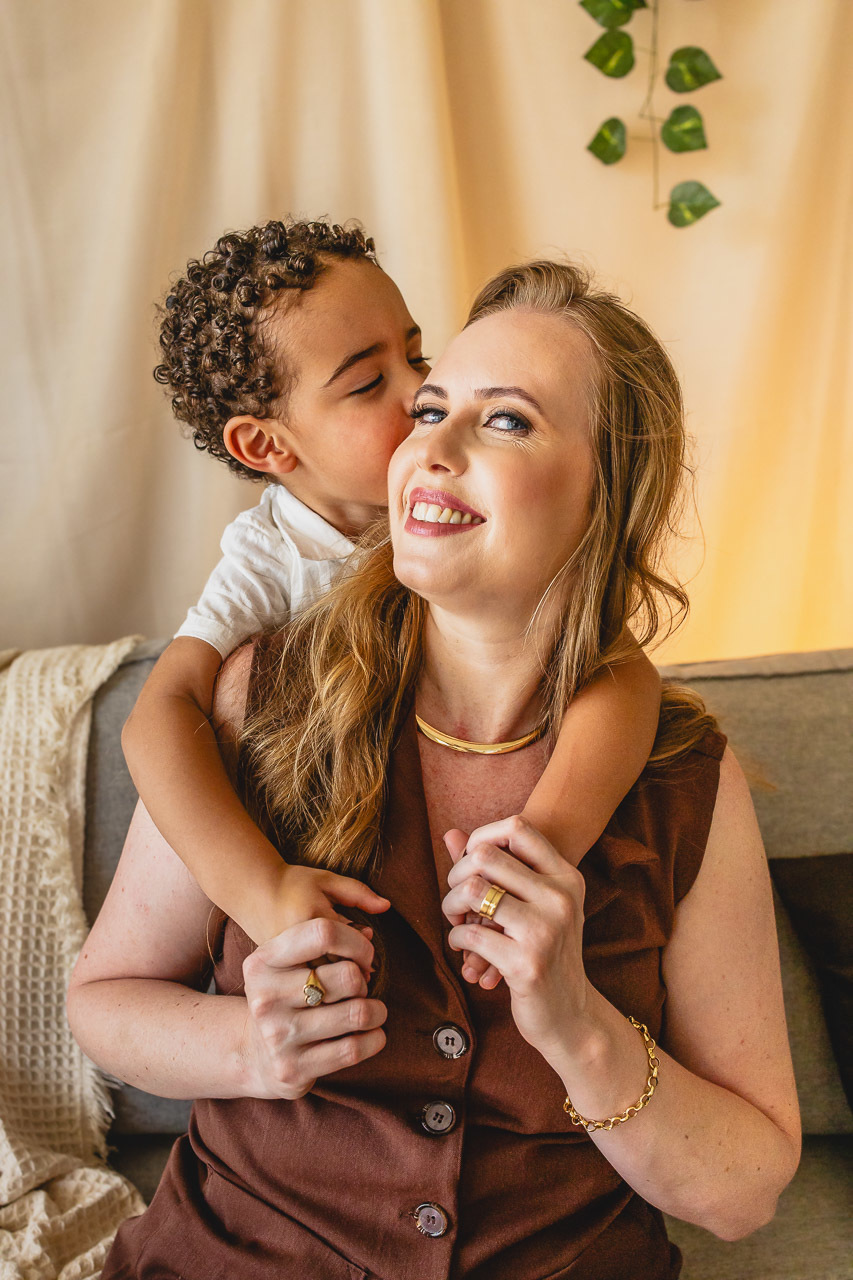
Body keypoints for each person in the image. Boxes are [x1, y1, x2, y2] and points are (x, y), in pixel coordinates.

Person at [68, 259, 800, 1278]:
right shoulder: (257, 694)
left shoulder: (682, 774)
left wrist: (578, 1026)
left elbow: (744, 1191)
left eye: (504, 420)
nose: (431, 448)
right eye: (427, 410)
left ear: (609, 486)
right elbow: (103, 1002)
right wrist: (249, 1045)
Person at [121, 219, 661, 976]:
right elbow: (157, 719)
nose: (419, 396)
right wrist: (260, 889)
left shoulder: (469, 519)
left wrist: (543, 843)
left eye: (416, 355)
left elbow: (617, 668)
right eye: (369, 383)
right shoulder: (274, 558)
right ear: (268, 446)